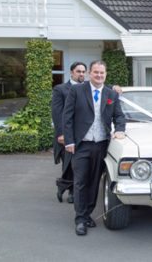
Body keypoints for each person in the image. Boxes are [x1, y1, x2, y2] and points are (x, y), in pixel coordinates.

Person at [63, 60, 126, 236]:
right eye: (96, 72)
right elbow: (67, 117)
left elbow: (119, 116)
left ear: (105, 75)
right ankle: (80, 220)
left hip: (101, 145)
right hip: (81, 145)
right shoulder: (77, 91)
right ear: (90, 73)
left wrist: (120, 130)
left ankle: (87, 213)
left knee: (94, 182)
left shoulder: (111, 94)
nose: (99, 75)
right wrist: (69, 141)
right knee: (81, 182)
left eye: (102, 73)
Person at [52, 61, 86, 204]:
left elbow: (104, 89)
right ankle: (70, 191)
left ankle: (65, 187)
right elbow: (57, 112)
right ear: (71, 72)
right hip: (67, 134)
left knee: (77, 164)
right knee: (70, 164)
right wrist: (61, 134)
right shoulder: (61, 89)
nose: (81, 74)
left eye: (84, 72)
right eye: (78, 71)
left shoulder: (87, 88)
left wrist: (115, 87)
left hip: (82, 134)